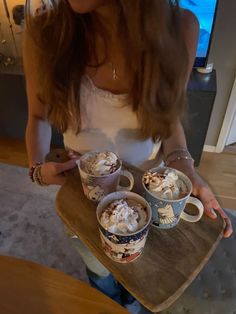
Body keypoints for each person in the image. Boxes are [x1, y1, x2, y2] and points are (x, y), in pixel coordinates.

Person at [23, 0, 233, 310]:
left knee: (139, 272)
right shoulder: (45, 32)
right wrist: (37, 169)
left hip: (146, 196)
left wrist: (186, 168)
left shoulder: (181, 29)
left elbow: (169, 122)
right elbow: (38, 118)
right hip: (82, 198)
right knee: (98, 271)